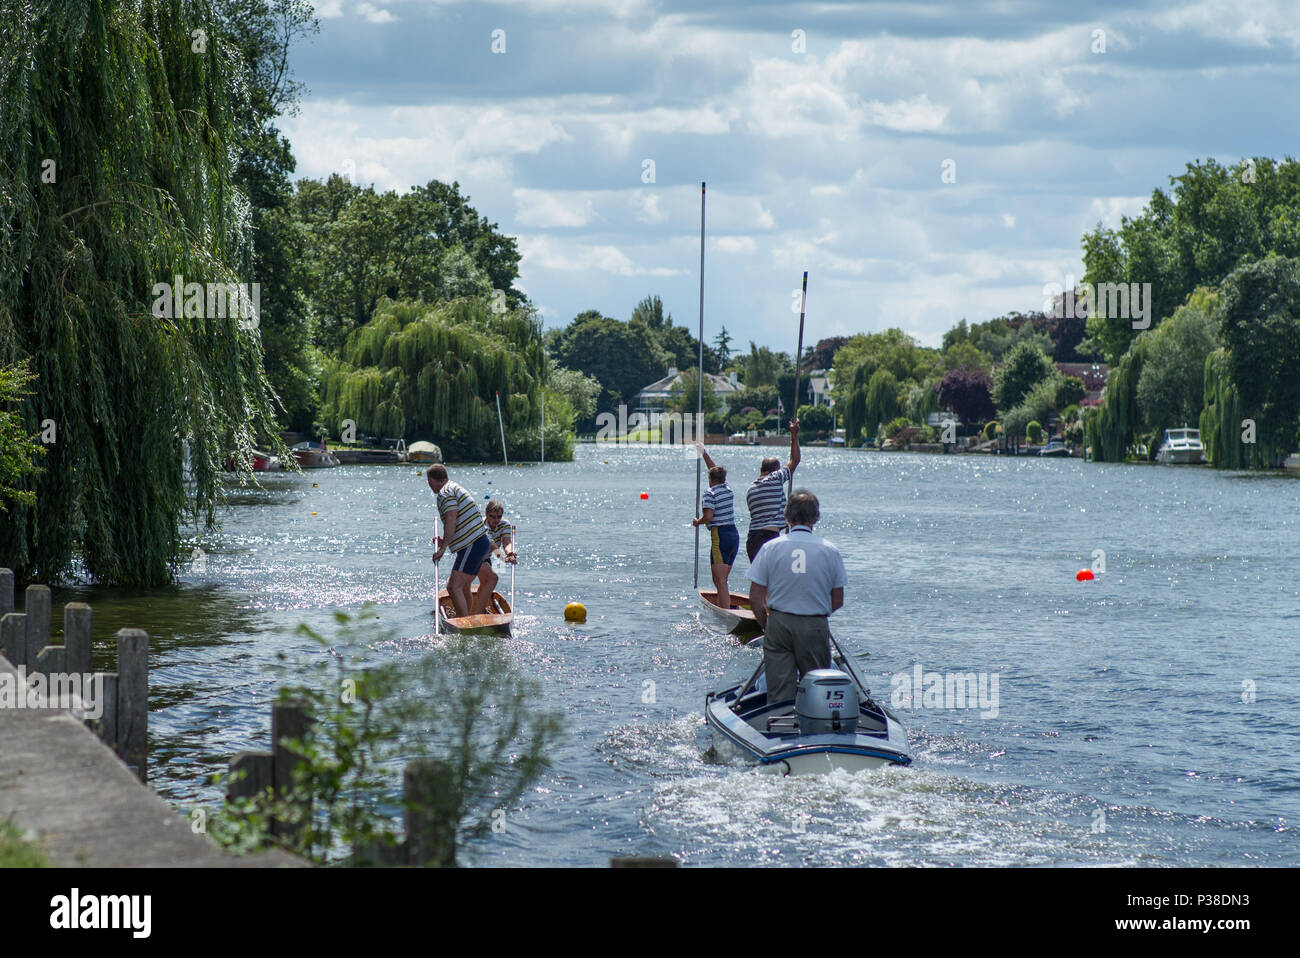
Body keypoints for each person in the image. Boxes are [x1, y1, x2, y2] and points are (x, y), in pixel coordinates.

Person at [747, 489, 846, 704]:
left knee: (779, 689)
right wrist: (814, 613)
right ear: (816, 518)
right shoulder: (830, 551)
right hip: (814, 622)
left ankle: (780, 726)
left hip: (779, 622)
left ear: (787, 517)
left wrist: (768, 623)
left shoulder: (770, 547)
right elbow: (838, 600)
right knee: (816, 687)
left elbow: (755, 597)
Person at [426, 464, 490, 618]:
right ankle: (467, 619)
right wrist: (446, 541)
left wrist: (442, 550)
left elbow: (451, 520)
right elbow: (457, 522)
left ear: (433, 480)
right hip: (479, 542)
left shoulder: (444, 493)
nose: (429, 486)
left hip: (472, 544)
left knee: (454, 587)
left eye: (429, 482)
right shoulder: (453, 487)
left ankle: (464, 626)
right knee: (464, 586)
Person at [745, 418, 800, 562]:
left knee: (758, 581)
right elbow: (794, 460)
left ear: (761, 470)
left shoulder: (751, 488)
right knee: (773, 581)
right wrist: (794, 435)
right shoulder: (775, 478)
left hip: (753, 538)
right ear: (775, 470)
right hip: (769, 538)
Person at [692, 448, 739, 609]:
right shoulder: (727, 489)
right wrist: (703, 453)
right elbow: (713, 469)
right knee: (720, 579)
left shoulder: (710, 493)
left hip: (720, 535)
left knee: (720, 580)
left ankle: (724, 613)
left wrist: (698, 522)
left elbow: (709, 517)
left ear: (710, 478)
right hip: (733, 535)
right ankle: (723, 604)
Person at [473, 500, 517, 613]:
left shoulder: (505, 524)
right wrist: (503, 558)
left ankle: (478, 608)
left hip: (486, 557)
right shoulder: (481, 525)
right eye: (492, 517)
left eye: (499, 517)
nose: (496, 520)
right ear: (486, 514)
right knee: (493, 578)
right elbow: (492, 545)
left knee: (485, 583)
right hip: (473, 555)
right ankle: (478, 613)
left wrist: (510, 553)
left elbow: (506, 542)